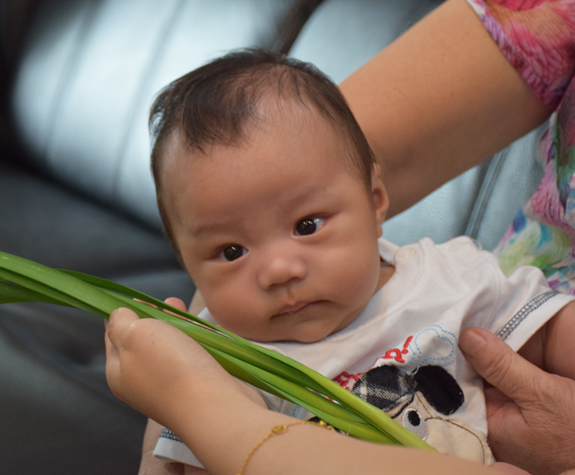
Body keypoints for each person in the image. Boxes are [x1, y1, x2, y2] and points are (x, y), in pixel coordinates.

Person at [108, 45, 575, 474]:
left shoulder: (447, 277)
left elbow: (554, 331)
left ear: (375, 202)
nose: (278, 271)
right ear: (187, 264)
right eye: (231, 252)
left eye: (307, 226)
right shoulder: (216, 362)